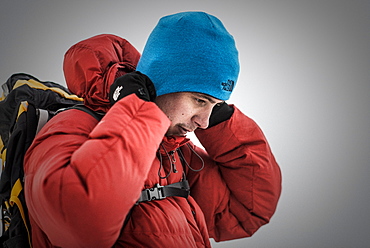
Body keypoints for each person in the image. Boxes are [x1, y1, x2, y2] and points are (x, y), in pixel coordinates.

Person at [24, 11, 281, 248]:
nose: (203, 122)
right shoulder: (72, 126)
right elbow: (79, 226)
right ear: (159, 85)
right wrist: (135, 109)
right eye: (199, 100)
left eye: (215, 105)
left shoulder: (174, 152)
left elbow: (247, 212)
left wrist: (223, 123)